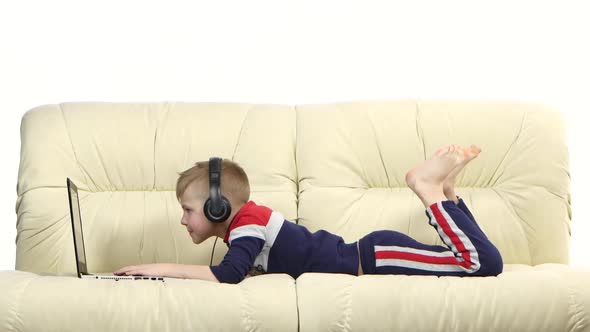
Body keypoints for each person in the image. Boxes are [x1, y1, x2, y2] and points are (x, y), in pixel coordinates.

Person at [114, 144, 503, 283]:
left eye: (187, 210)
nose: (183, 220)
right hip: (374, 254)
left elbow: (228, 275)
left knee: (482, 263)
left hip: (375, 259)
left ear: (219, 206)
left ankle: (429, 189)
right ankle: (448, 196)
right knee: (475, 261)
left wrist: (160, 269)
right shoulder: (247, 223)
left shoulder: (246, 225)